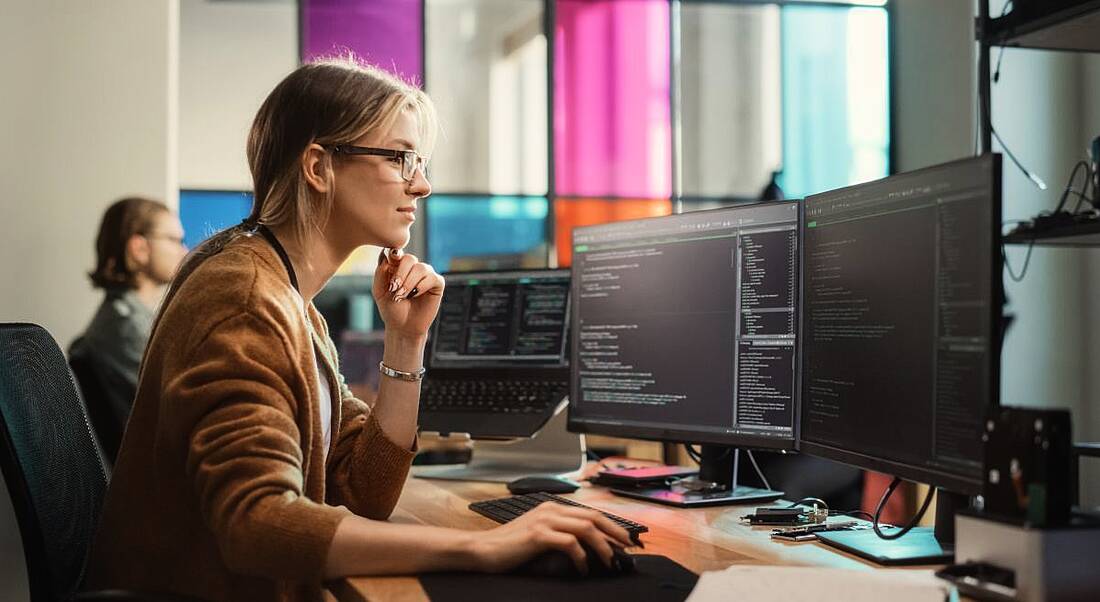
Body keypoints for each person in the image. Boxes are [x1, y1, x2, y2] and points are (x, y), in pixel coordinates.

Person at [85, 58, 632, 602]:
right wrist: (481, 549)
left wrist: (405, 340)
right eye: (399, 158)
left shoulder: (291, 300)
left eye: (418, 161)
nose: (422, 185)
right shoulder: (246, 298)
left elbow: (364, 489)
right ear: (319, 168)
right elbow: (256, 524)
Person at [69, 197, 187, 462]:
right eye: (174, 240)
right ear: (139, 248)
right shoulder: (124, 327)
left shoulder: (136, 318)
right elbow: (178, 409)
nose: (184, 250)